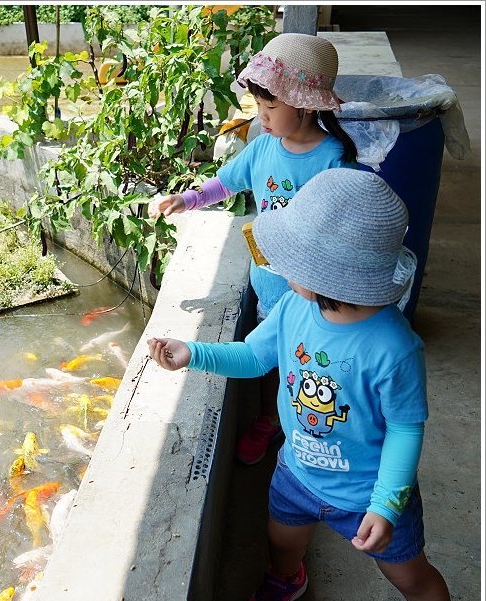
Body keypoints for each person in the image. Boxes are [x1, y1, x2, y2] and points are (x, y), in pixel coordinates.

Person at [147, 168, 479, 601]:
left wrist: (387, 505)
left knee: (410, 576)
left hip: (369, 496)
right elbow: (253, 358)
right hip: (297, 475)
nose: (280, 266)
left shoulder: (394, 348)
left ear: (327, 274)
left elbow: (407, 429)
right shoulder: (293, 310)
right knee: (281, 539)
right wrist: (192, 353)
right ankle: (287, 580)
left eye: (291, 258)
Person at [149, 32, 359, 467]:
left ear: (304, 105)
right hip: (269, 287)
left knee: (315, 367)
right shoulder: (263, 147)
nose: (261, 116)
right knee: (272, 359)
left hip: (319, 296)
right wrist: (185, 200)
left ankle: (313, 432)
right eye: (259, 106)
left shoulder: (334, 159)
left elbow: (349, 228)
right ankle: (270, 419)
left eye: (270, 107)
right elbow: (226, 182)